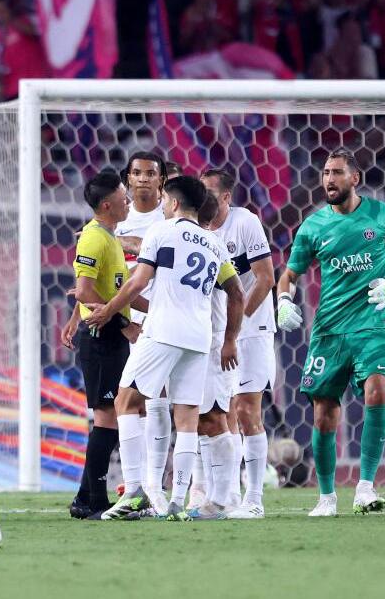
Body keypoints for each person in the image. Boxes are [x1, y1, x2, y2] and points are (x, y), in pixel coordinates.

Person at [87, 176, 242, 521]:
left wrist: (109, 310)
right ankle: (177, 502)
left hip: (163, 330)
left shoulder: (161, 231)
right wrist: (230, 338)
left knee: (126, 400)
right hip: (199, 338)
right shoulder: (214, 243)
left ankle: (135, 491)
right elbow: (237, 293)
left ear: (172, 204)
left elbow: (138, 281)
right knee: (186, 418)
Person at [276, 148, 385, 517]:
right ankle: (326, 498)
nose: (329, 179)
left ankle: (366, 487)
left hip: (373, 322)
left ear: (355, 178)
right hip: (330, 330)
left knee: (378, 389)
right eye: (325, 172)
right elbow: (289, 274)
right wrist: (284, 301)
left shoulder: (383, 215)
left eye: (337, 172)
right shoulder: (313, 226)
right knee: (324, 414)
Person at [63, 171, 141, 519]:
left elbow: (114, 291)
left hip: (106, 332)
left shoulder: (109, 236)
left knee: (113, 413)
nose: (129, 201)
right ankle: (94, 500)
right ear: (107, 204)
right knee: (107, 414)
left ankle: (86, 496)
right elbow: (84, 291)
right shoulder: (94, 238)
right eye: (124, 196)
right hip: (102, 336)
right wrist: (123, 325)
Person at [200, 168, 277, 519]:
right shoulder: (198, 231)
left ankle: (255, 498)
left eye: (212, 195)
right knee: (222, 410)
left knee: (247, 409)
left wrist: (237, 324)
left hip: (251, 326)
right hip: (218, 332)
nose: (204, 201)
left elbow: (266, 279)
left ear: (227, 197)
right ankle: (227, 496)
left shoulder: (246, 223)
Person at [112, 151, 171, 513]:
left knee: (162, 399)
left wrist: (127, 244)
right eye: (137, 173)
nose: (144, 179)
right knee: (135, 401)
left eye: (151, 173)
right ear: (128, 179)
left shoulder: (172, 215)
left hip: (166, 317)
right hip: (128, 321)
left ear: (162, 179)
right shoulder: (120, 218)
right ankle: (145, 486)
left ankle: (153, 484)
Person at [187, 192, 245, 520]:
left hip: (211, 347)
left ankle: (224, 500)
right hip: (200, 344)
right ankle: (214, 497)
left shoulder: (209, 244)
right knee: (202, 420)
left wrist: (229, 341)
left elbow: (237, 293)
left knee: (216, 417)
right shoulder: (204, 241)